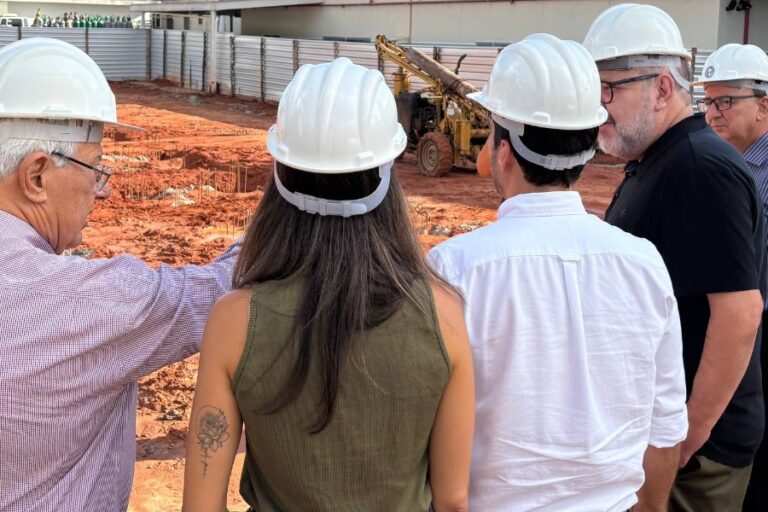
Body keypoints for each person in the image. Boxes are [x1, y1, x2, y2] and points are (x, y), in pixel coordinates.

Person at [183, 57, 474, 512]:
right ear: (388, 175)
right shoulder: (444, 316)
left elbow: (200, 507)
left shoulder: (234, 321)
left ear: (280, 176)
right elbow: (453, 501)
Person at [429, 32, 687, 512]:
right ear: (589, 147)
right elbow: (666, 426)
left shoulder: (455, 269)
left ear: (503, 150)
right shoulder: (644, 263)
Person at [0, 37, 238, 512]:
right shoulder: (89, 303)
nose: (103, 192)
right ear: (37, 176)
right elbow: (226, 285)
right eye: (95, 169)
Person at [583, 4, 765, 512]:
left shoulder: (701, 169)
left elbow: (739, 314)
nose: (601, 107)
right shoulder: (661, 161)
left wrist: (686, 437)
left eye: (610, 89)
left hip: (698, 455)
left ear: (663, 89)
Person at [690, 43, 768, 512]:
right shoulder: (729, 163)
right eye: (709, 102)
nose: (713, 114)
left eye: (726, 102)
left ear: (763, 104)